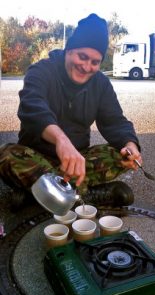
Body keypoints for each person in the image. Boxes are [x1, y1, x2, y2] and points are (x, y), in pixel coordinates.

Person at [0, 13, 142, 211]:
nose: (86, 67)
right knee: (6, 155)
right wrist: (61, 140)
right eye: (82, 56)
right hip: (37, 155)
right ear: (69, 50)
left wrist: (130, 145)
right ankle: (84, 195)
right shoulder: (42, 70)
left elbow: (115, 121)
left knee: (119, 156)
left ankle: (39, 194)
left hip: (78, 160)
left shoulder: (101, 84)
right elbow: (32, 106)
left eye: (95, 62)